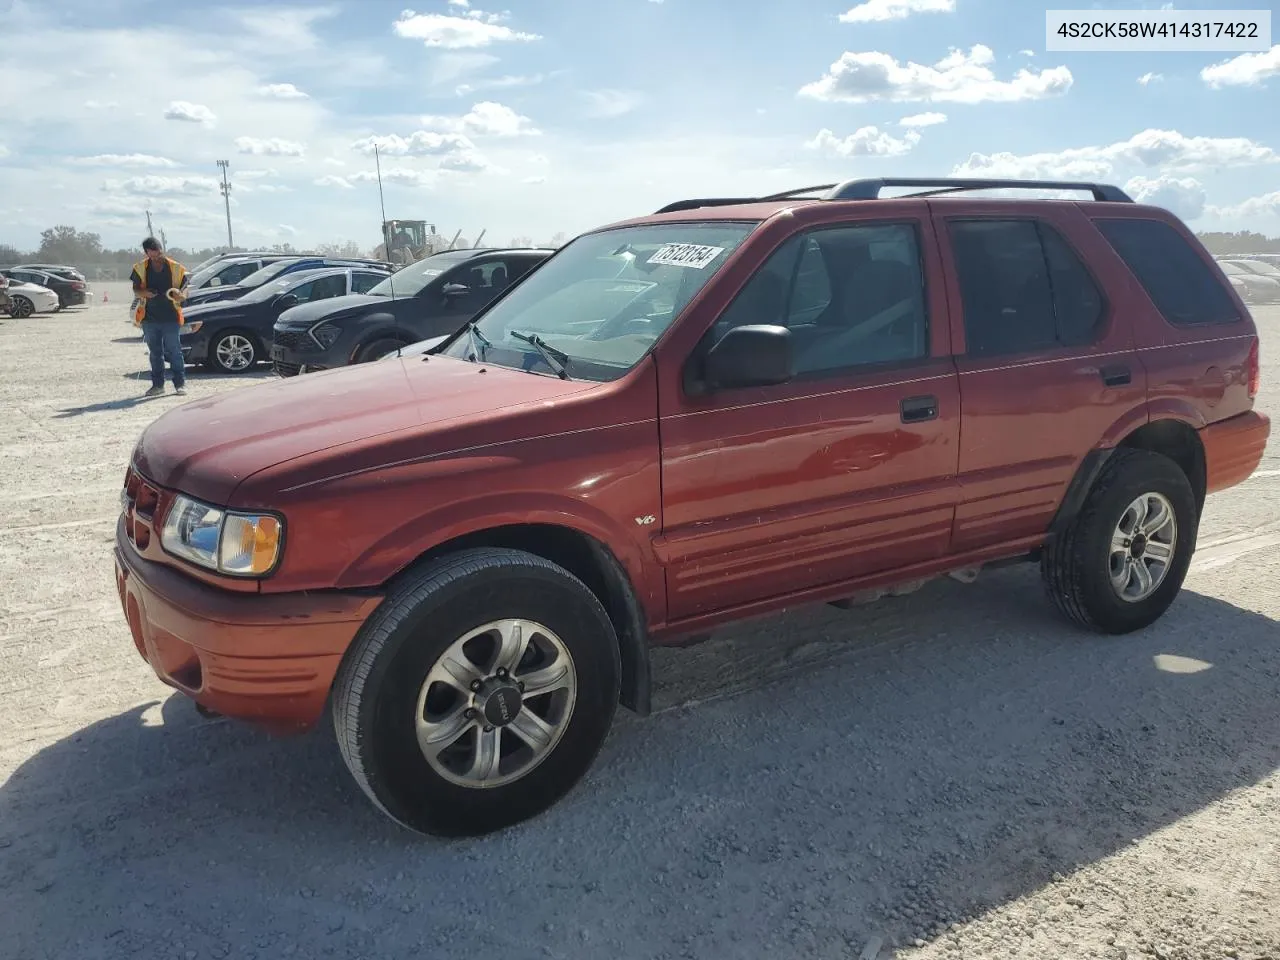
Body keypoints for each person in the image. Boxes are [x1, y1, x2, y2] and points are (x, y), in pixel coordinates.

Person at [131, 237, 188, 397]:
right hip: (149, 318)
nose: (156, 255)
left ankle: (180, 384)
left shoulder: (175, 268)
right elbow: (136, 289)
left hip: (171, 316)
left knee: (175, 351)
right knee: (155, 353)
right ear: (147, 252)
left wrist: (180, 296)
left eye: (158, 251)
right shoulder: (140, 268)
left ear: (161, 249)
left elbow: (185, 289)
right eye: (152, 253)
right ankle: (157, 386)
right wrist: (145, 293)